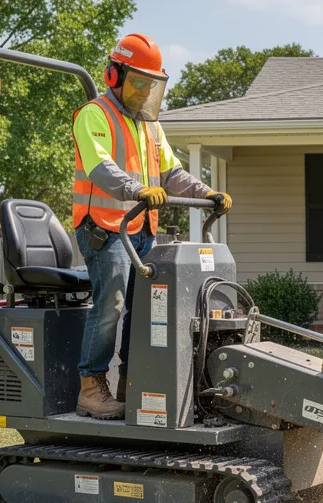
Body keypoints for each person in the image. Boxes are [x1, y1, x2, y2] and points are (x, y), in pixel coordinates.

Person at [72, 33, 232, 419]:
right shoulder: (93, 114)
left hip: (140, 230)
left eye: (151, 84)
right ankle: (91, 387)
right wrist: (137, 188)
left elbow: (171, 172)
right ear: (114, 75)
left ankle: (131, 382)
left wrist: (207, 191)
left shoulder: (149, 125)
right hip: (105, 228)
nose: (144, 91)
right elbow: (101, 168)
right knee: (112, 304)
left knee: (143, 310)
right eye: (138, 82)